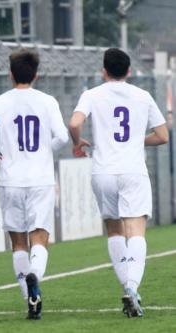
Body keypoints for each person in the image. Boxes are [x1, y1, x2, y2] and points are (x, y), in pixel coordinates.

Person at [69, 48, 169, 318]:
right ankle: (132, 287)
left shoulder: (92, 94)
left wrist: (77, 142)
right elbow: (162, 136)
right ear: (129, 71)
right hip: (132, 171)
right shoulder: (143, 95)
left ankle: (126, 285)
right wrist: (138, 141)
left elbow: (75, 122)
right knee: (136, 229)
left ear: (104, 71)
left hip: (103, 171)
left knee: (114, 230)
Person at [0, 49, 68, 320]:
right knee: (40, 236)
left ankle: (30, 299)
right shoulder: (47, 101)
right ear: (36, 75)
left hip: (11, 179)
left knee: (18, 241)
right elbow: (62, 137)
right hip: (40, 179)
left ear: (10, 74)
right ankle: (35, 276)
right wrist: (45, 151)